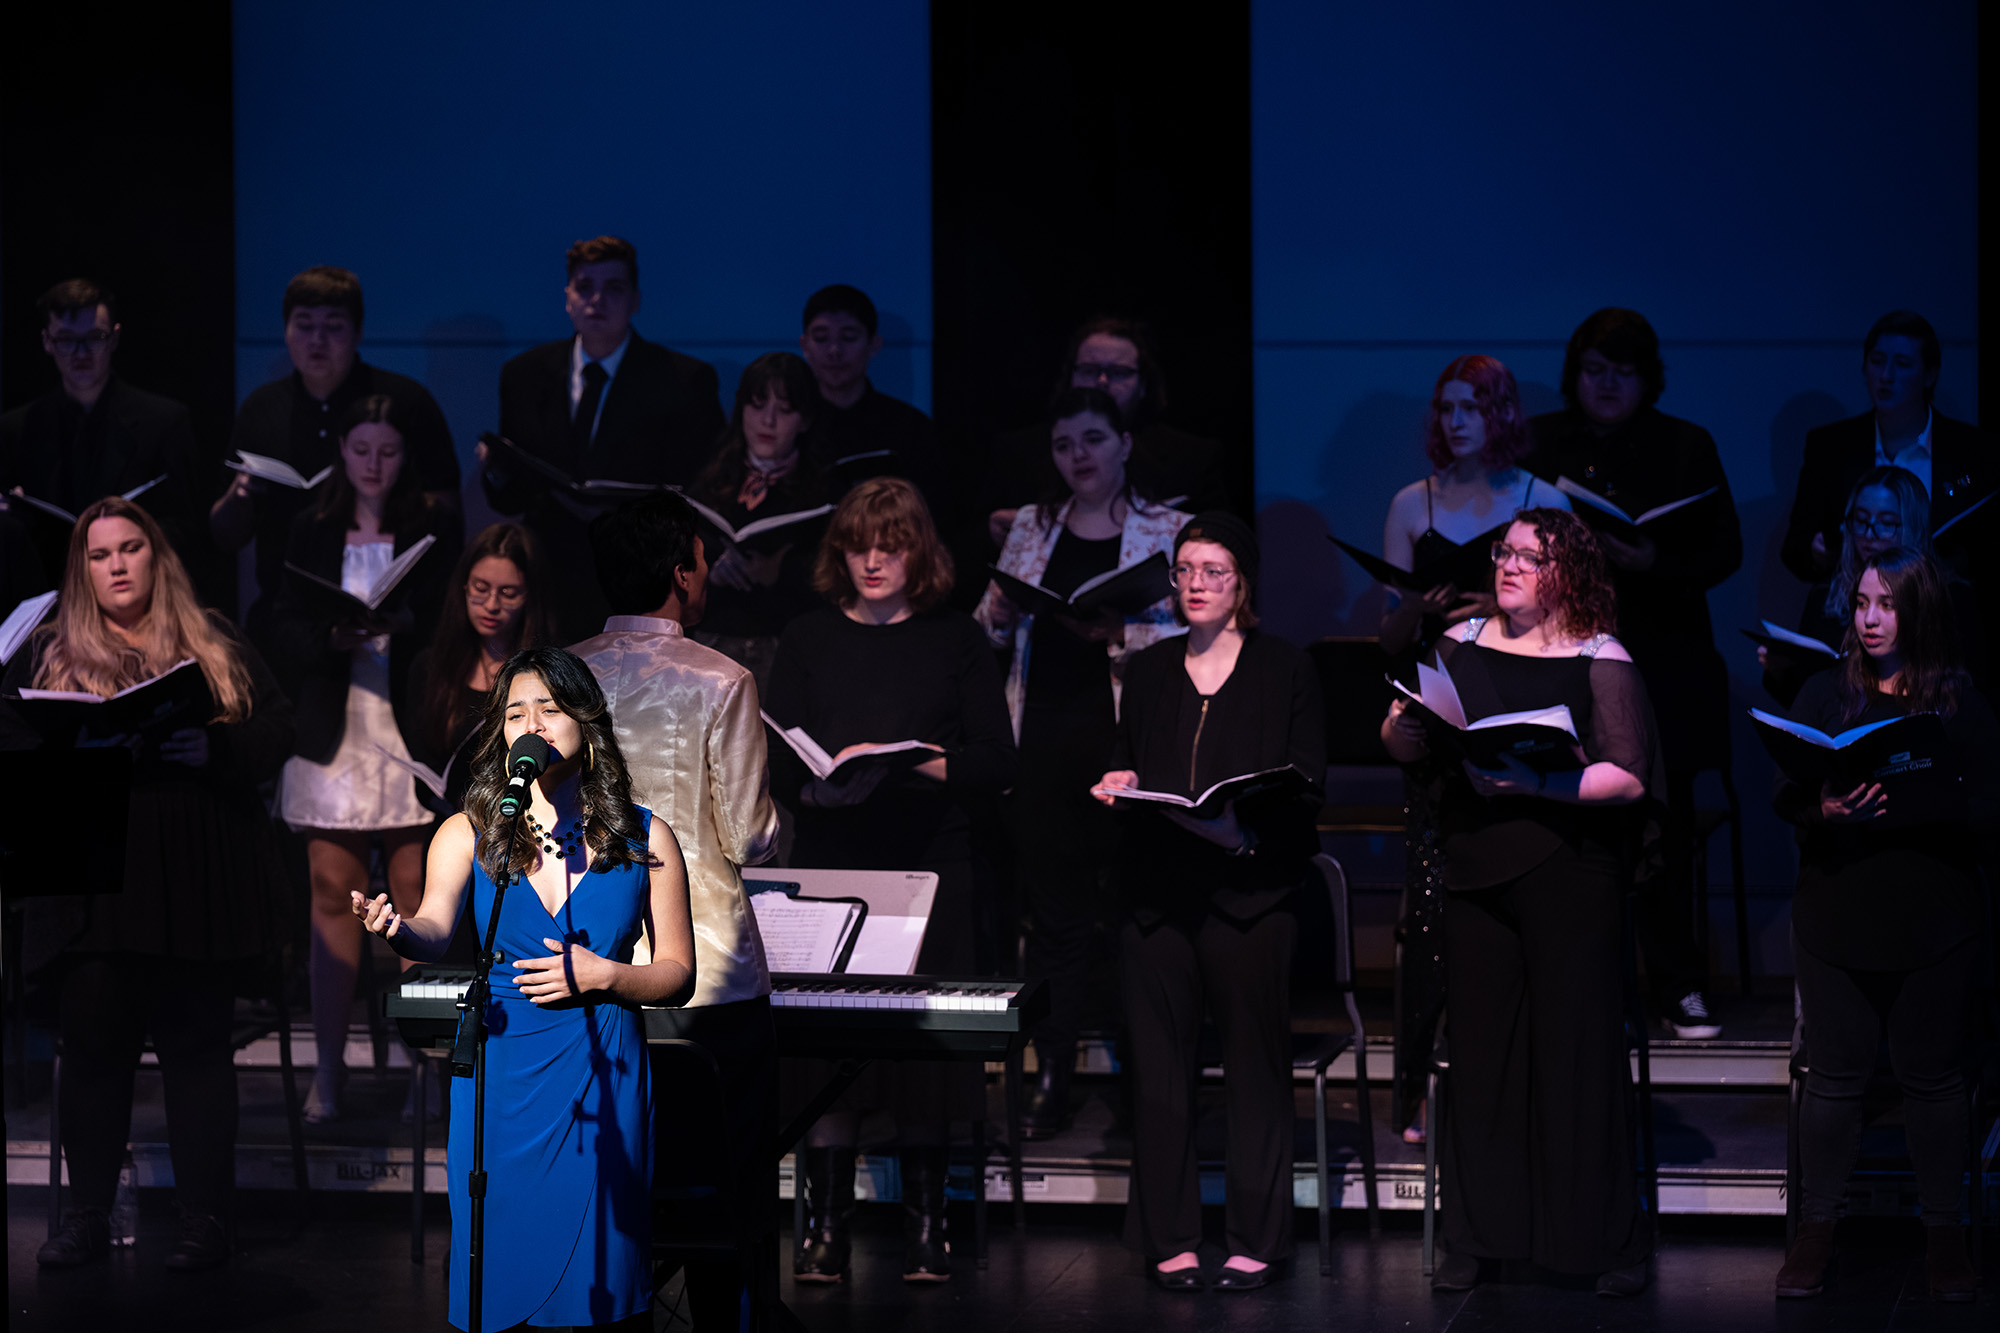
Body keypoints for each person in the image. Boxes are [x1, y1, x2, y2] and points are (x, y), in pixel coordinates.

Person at [354, 646, 695, 1330]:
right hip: (501, 1076)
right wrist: (396, 930)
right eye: (515, 711)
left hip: (603, 1067)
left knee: (604, 1276)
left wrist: (606, 975)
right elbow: (432, 928)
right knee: (496, 1267)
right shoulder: (467, 831)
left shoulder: (646, 835)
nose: (532, 721)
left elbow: (679, 973)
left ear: (585, 720)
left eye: (549, 706)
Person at [6, 498, 293, 1272]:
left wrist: (216, 749)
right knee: (94, 1046)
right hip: (90, 873)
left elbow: (276, 726)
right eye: (100, 555)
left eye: (131, 548)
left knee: (197, 1045)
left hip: (191, 864)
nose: (118, 565)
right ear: (82, 569)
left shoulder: (210, 635)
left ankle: (208, 1220)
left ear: (155, 554)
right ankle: (89, 1215)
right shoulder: (45, 646)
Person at [1380, 507, 1658, 1297]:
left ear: (1568, 572)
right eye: (1504, 552)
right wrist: (1404, 720)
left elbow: (1630, 772)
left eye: (1530, 557)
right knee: (1482, 1053)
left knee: (1573, 1053)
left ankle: (1595, 1241)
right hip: (1475, 866)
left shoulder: (1599, 655)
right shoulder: (1458, 644)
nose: (1509, 565)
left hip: (1570, 869)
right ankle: (1480, 1236)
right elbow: (1404, 746)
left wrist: (1542, 782)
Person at [766, 477, 1018, 1283]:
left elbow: (997, 759)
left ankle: (926, 1228)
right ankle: (826, 1228)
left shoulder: (953, 639)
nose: (873, 560)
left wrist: (921, 762)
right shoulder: (806, 637)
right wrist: (816, 786)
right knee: (828, 1047)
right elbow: (774, 755)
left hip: (928, 862)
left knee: (925, 1055)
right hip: (833, 859)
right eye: (859, 544)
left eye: (891, 544)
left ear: (920, 551)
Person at [1095, 511, 1323, 1292]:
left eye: (1213, 571)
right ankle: (1174, 1236)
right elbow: (1127, 758)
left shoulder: (1283, 668)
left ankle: (1257, 1234)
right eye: (1185, 570)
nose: (1195, 584)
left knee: (1255, 1072)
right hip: (1159, 894)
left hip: (1250, 895)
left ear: (1243, 583)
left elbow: (1304, 787)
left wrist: (1237, 835)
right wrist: (1120, 782)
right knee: (1159, 1075)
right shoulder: (1152, 668)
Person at [570, 492, 781, 1324]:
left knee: (605, 1174)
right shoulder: (723, 679)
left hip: (585, 959)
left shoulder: (557, 675)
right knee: (724, 1193)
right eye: (699, 559)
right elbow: (750, 835)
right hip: (708, 973)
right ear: (681, 572)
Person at [1770, 548, 1992, 1303]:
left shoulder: (1958, 699)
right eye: (1860, 602)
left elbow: (1988, 807)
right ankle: (1816, 1229)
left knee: (1933, 1078)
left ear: (1917, 611)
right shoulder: (1824, 691)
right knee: (1833, 1077)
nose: (1867, 617)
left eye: (1886, 604)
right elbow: (1786, 791)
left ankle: (1944, 1234)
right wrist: (1825, 810)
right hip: (1839, 909)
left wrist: (1923, 802)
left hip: (1933, 915)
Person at [973, 387, 1189, 1136]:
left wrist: (1117, 631)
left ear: (1125, 443)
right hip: (1042, 738)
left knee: (1132, 915)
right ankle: (1054, 1074)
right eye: (1065, 445)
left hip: (1127, 741)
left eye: (1093, 440)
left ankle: (1142, 1078)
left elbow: (1192, 639)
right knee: (1058, 923)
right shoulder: (1033, 526)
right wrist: (997, 612)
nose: (1078, 457)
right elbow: (989, 639)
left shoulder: (1167, 528)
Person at [1527, 308, 1737, 1040]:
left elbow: (1725, 551)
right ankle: (1590, 985)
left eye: (1624, 371)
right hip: (1565, 658)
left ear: (1648, 378)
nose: (1608, 384)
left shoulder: (1685, 444)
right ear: (1573, 375)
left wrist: (1657, 564)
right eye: (1594, 369)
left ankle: (1678, 982)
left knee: (1664, 826)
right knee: (1568, 819)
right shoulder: (1542, 443)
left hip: (1662, 655)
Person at [1377, 355, 1568, 1142]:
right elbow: (1387, 628)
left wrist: (1497, 598)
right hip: (1439, 698)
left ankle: (1517, 1073)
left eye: (1473, 407)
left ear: (1501, 415)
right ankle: (1417, 1082)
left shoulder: (1539, 501)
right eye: (1446, 407)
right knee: (1429, 908)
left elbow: (1577, 616)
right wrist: (1418, 609)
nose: (1456, 421)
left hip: (1520, 699)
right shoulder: (1409, 502)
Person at [267, 394, 459, 1121]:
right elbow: (280, 623)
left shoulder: (432, 522)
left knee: (418, 897)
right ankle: (329, 1066)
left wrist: (408, 622)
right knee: (331, 897)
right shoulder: (312, 526)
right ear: (341, 451)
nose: (375, 464)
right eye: (361, 449)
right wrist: (329, 637)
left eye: (388, 450)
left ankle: (428, 1065)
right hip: (334, 724)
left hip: (406, 722)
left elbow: (455, 616)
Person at [479, 236, 726, 643]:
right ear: (567, 298)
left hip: (638, 581)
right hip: (548, 576)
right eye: (585, 287)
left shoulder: (683, 380)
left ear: (636, 300)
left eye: (614, 288)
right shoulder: (523, 374)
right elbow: (510, 499)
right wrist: (496, 471)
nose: (597, 299)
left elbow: (699, 488)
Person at [210, 266, 460, 637]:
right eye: (305, 325)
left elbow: (448, 515)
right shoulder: (261, 408)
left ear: (358, 332)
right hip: (290, 616)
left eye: (333, 326)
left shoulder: (404, 402)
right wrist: (239, 495)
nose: (317, 340)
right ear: (286, 331)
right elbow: (224, 536)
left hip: (395, 616)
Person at [0, 279, 211, 602]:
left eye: (94, 338)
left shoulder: (164, 422)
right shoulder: (16, 429)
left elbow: (187, 529)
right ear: (47, 342)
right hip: (47, 601)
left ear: (114, 338)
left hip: (138, 600)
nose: (80, 352)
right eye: (67, 340)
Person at [979, 316, 1241, 557]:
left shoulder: (1191, 457)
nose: (1102, 381)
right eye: (1090, 370)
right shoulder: (1020, 451)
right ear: (1070, 376)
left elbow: (1225, 543)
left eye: (1118, 372)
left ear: (1143, 385)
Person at [1780, 311, 1994, 583]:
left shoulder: (1974, 452)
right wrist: (1817, 551)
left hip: (1945, 614)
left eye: (1902, 363)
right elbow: (1795, 546)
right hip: (1853, 613)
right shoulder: (1830, 447)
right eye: (1877, 362)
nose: (1886, 375)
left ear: (1929, 375)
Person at [1759, 466, 1982, 708]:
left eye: (1886, 523)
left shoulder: (1951, 599)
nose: (1869, 533)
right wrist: (1780, 673)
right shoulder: (1828, 596)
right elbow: (1808, 703)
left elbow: (1974, 691)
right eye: (1861, 520)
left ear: (1913, 527)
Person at [686, 353, 833, 692]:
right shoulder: (709, 480)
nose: (768, 421)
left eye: (784, 410)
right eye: (757, 405)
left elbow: (832, 586)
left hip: (785, 646)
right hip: (711, 642)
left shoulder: (823, 492)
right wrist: (709, 569)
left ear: (805, 420)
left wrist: (779, 572)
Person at [401, 522, 557, 813]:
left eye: (508, 593)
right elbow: (425, 769)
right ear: (463, 585)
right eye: (480, 588)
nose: (491, 604)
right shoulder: (430, 667)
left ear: (529, 597)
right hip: (454, 827)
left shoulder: (548, 672)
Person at [798, 284, 949, 517]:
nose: (834, 350)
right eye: (821, 338)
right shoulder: (793, 423)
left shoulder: (910, 428)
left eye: (848, 338)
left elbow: (932, 516)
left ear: (873, 344)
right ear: (805, 346)